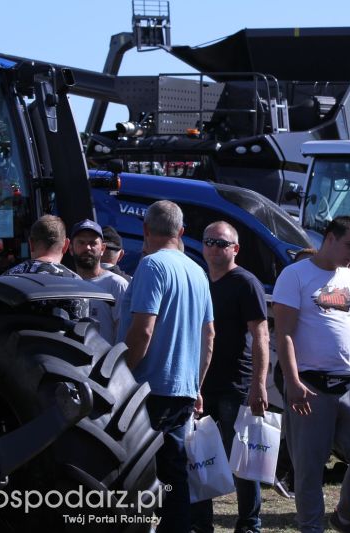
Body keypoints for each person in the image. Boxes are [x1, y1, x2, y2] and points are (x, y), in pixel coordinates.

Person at [273, 215, 350, 533]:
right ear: (330, 238)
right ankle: (311, 527)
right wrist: (292, 381)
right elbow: (284, 334)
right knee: (309, 468)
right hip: (310, 383)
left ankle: (345, 516)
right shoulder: (294, 275)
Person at [120, 200, 214, 533]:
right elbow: (209, 337)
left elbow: (143, 330)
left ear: (145, 230)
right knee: (174, 476)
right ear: (182, 232)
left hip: (148, 389)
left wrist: (121, 378)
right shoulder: (198, 272)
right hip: (183, 390)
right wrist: (197, 385)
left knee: (135, 477)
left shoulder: (151, 266)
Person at [192, 221, 269, 533]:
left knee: (244, 462)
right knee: (200, 458)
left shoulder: (245, 282)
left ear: (235, 249)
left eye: (221, 243)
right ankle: (200, 523)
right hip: (202, 385)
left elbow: (261, 335)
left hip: (237, 385)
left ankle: (249, 524)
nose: (213, 248)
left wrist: (259, 384)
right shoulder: (200, 280)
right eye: (209, 241)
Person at [4, 215, 88, 320]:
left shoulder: (8, 277)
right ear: (66, 245)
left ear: (31, 244)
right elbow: (80, 331)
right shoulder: (76, 283)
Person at [69, 219, 128, 345]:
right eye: (81, 242)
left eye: (92, 243)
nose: (87, 247)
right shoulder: (65, 284)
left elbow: (124, 337)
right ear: (71, 248)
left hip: (102, 363)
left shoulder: (117, 285)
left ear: (102, 248)